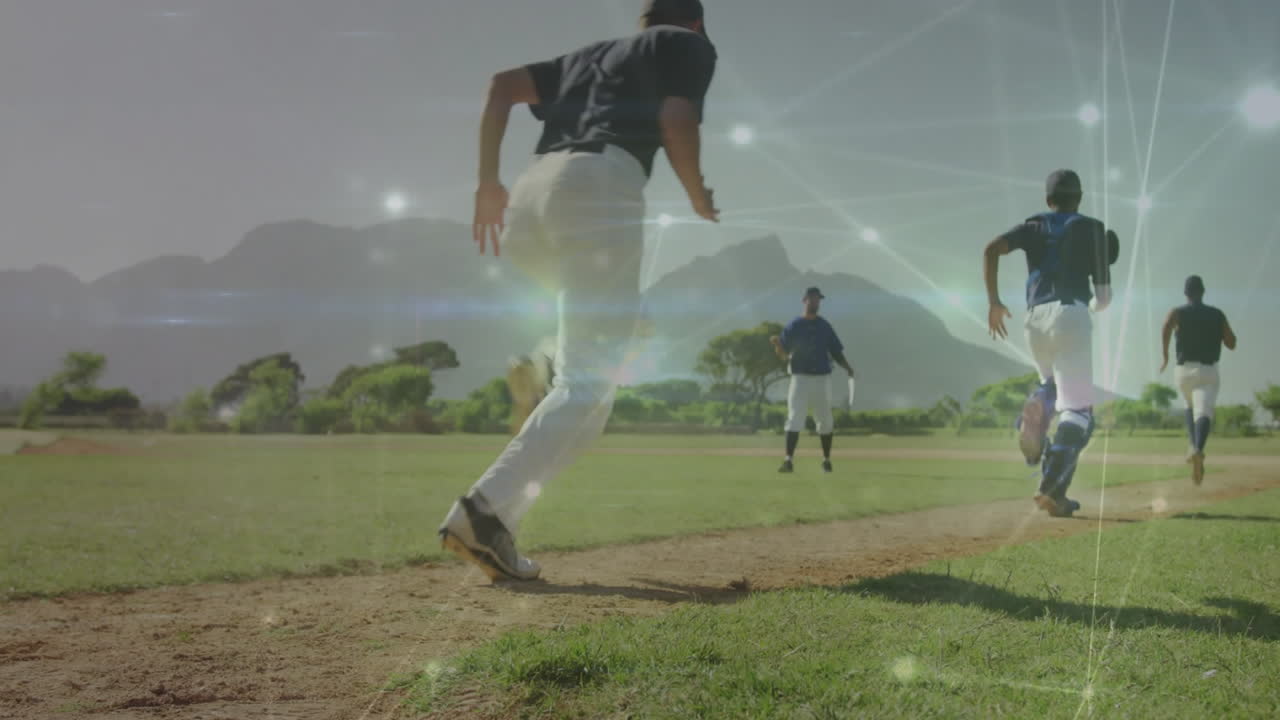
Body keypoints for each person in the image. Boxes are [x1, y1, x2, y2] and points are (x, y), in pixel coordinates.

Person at [438, 0, 719, 582]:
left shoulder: (590, 56)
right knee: (589, 381)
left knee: (592, 387)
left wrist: (486, 181)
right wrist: (696, 192)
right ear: (694, 21)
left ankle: (500, 521)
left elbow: (500, 87)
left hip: (532, 193)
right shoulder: (688, 44)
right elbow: (676, 118)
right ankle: (482, 512)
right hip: (599, 185)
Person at [983, 169, 1118, 517]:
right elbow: (1103, 300)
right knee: (1079, 413)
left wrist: (995, 303)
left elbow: (991, 249)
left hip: (1033, 319)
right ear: (1080, 197)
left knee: (1051, 387)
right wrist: (1087, 305)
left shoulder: (1034, 225)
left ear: (1048, 199)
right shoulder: (1093, 229)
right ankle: (1050, 485)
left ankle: (1038, 407)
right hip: (1070, 314)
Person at [1160, 275, 1238, 485]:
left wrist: (1165, 355)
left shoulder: (1178, 312)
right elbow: (1232, 343)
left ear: (1186, 294)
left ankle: (1193, 447)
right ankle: (1198, 448)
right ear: (1203, 292)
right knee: (1204, 412)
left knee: (1189, 404)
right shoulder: (1217, 314)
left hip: (1183, 371)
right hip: (1208, 370)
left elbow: (1167, 324)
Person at [769, 287, 855, 474]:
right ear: (805, 300)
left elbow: (836, 351)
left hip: (822, 378)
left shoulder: (824, 326)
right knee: (794, 418)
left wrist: (847, 367)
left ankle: (826, 461)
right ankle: (788, 461)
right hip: (799, 377)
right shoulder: (794, 325)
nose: (816, 302)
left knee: (825, 419)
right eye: (813, 299)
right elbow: (783, 355)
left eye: (818, 300)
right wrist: (777, 345)